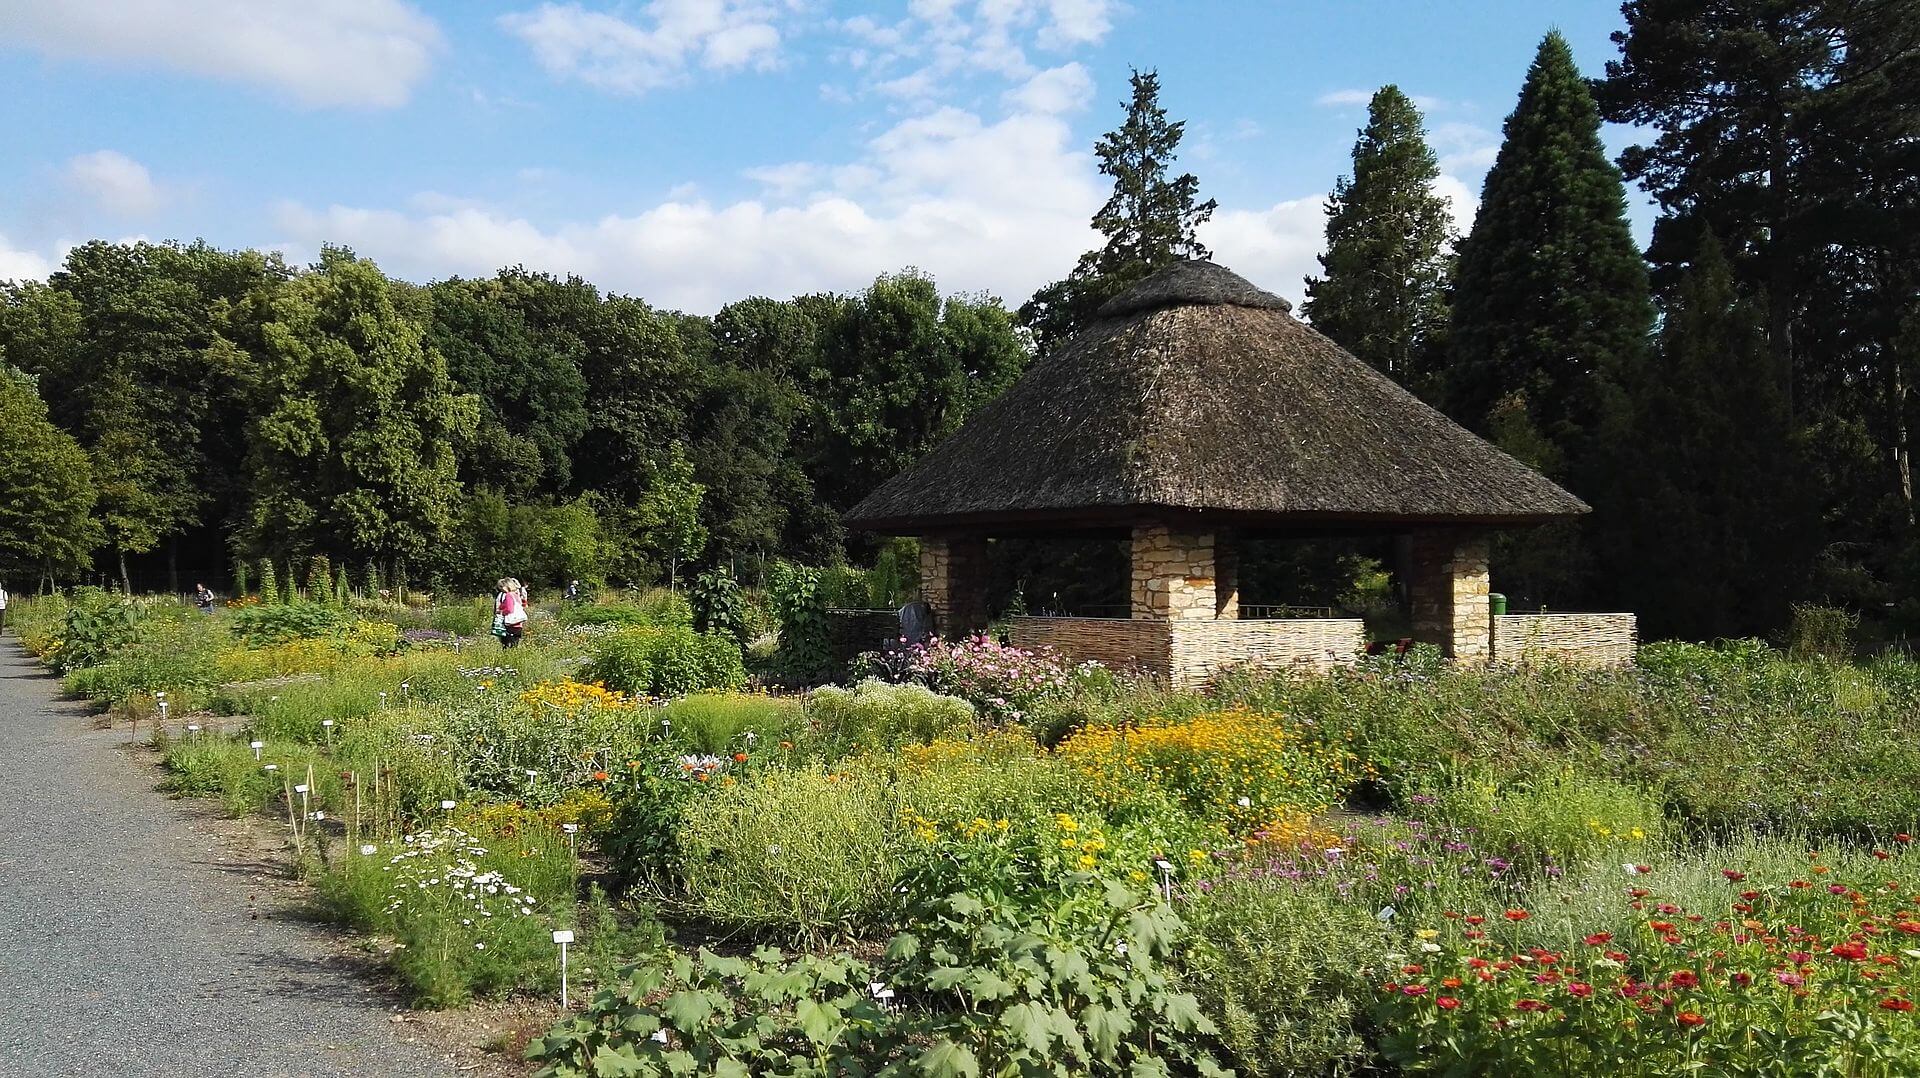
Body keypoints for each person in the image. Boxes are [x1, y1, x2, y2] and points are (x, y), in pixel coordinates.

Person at [494, 577, 528, 648]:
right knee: (514, 645)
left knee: (506, 645)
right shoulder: (516, 595)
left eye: (502, 586)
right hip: (518, 624)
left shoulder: (508, 595)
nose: (501, 589)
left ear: (507, 586)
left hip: (511, 624)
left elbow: (509, 609)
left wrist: (501, 612)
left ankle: (506, 658)